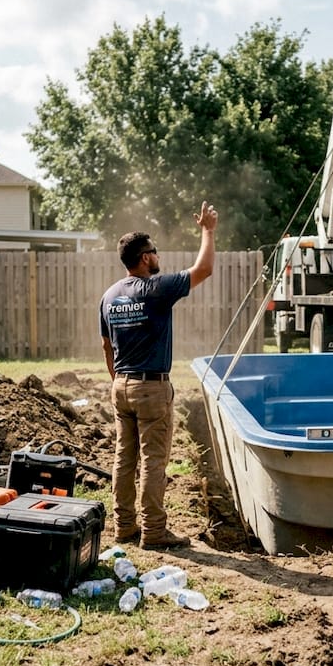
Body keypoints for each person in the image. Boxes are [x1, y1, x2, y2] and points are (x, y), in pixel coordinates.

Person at [100, 201, 218, 550]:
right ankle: (153, 531)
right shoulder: (155, 289)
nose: (158, 255)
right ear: (145, 258)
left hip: (120, 385)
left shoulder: (109, 296)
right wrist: (208, 230)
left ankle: (123, 527)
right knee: (153, 460)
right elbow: (204, 269)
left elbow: (106, 345)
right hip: (151, 387)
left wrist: (118, 381)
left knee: (124, 458)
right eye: (154, 251)